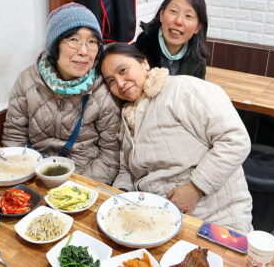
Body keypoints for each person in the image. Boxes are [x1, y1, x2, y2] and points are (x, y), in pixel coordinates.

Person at [99, 43, 253, 234]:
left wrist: (196, 188)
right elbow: (127, 170)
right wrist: (118, 200)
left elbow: (235, 139)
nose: (120, 83)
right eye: (111, 81)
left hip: (215, 218)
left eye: (123, 70)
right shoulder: (128, 114)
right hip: (159, 220)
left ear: (145, 63)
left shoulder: (183, 88)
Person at [2, 3, 121, 185]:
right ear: (55, 44)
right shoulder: (28, 80)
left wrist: (78, 187)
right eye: (73, 40)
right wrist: (20, 180)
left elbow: (110, 155)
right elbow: (14, 136)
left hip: (82, 178)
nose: (83, 51)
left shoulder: (103, 90)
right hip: (34, 175)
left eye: (92, 42)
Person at [134, 0, 209, 80]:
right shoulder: (139, 49)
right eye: (173, 11)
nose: (178, 21)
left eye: (188, 16)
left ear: (198, 27)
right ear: (162, 15)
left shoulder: (198, 60)